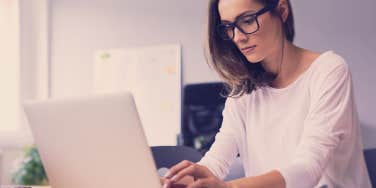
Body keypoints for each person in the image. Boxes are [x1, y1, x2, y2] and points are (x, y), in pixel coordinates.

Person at [162, 0, 372, 187]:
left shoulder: (329, 70)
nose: (237, 37)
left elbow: (308, 169)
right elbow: (216, 162)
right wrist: (182, 181)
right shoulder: (243, 89)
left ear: (281, 10)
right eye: (228, 27)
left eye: (247, 20)